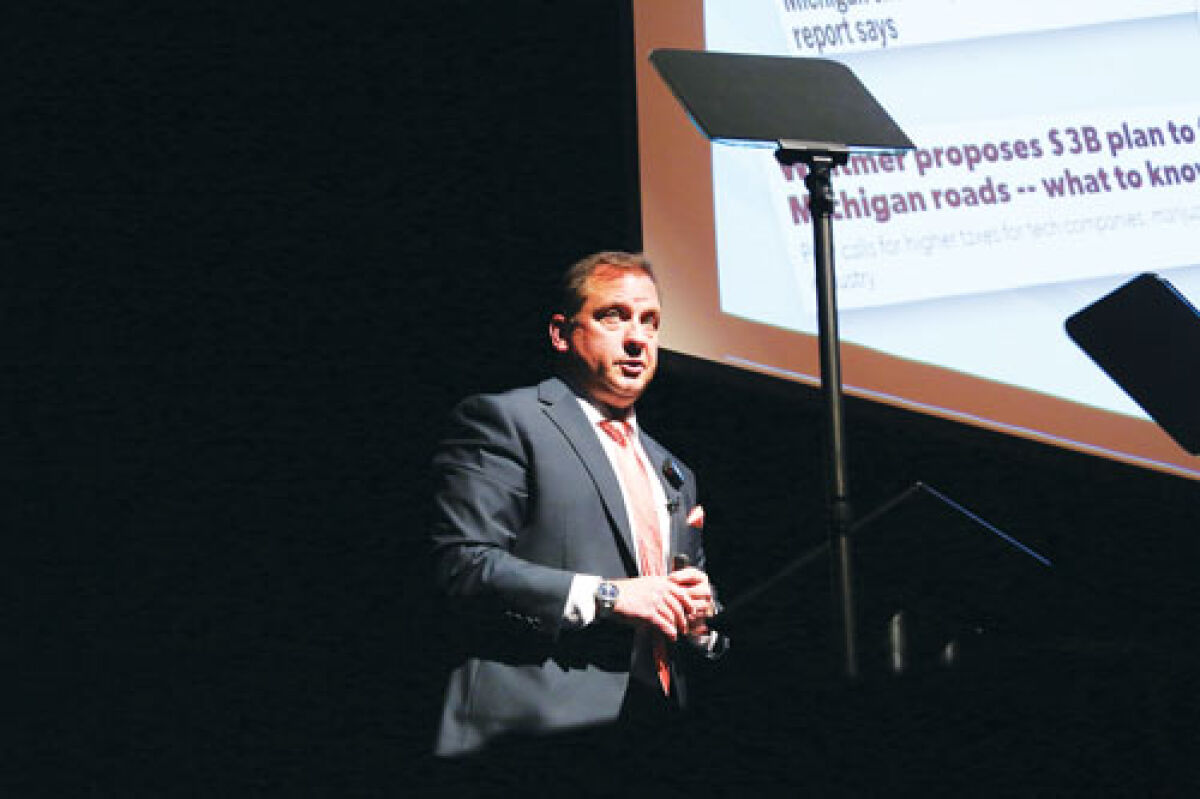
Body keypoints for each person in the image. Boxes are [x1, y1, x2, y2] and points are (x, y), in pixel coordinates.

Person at [430, 250, 724, 759]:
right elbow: (463, 564)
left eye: (650, 322)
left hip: (655, 728)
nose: (637, 338)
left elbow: (674, 602)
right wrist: (610, 596)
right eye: (614, 316)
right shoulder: (507, 421)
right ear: (561, 334)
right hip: (535, 723)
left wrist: (698, 621)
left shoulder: (673, 472)